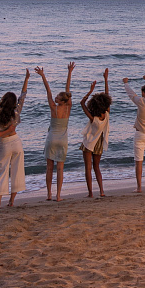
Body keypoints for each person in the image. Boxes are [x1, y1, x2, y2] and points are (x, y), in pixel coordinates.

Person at [0, 68, 30, 209]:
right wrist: (26, 79)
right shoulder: (16, 112)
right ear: (13, 104)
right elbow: (22, 96)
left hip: (5, 144)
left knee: (1, 173)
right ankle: (12, 201)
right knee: (17, 172)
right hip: (16, 142)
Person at [35, 62, 74, 201]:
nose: (55, 97)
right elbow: (67, 90)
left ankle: (49, 194)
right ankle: (58, 195)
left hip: (51, 139)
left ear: (61, 100)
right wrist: (69, 73)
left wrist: (43, 76)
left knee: (49, 168)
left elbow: (48, 90)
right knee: (60, 169)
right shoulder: (68, 108)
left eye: (57, 97)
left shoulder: (53, 107)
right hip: (62, 140)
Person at [78, 68, 111, 198]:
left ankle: (90, 193)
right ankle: (101, 191)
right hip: (99, 142)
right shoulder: (106, 114)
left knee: (88, 168)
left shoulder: (93, 118)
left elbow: (82, 103)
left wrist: (90, 91)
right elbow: (107, 94)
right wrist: (106, 79)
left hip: (89, 143)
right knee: (97, 167)